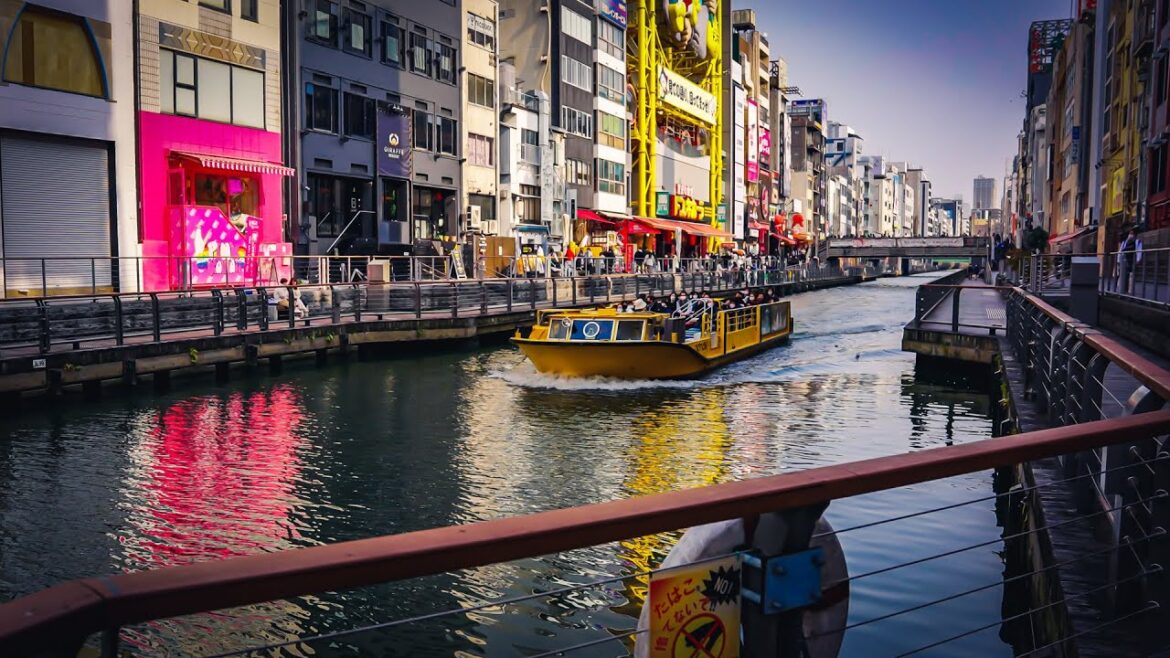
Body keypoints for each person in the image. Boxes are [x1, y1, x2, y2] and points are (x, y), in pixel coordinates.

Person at [1119, 228, 1139, 294]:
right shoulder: (1126, 241)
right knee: (1126, 275)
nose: (1130, 235)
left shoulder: (1134, 241)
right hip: (1126, 259)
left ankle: (1129, 290)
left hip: (1130, 260)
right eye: (1130, 233)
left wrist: (1138, 259)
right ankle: (1125, 289)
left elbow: (1131, 248)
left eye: (1132, 233)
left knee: (1130, 275)